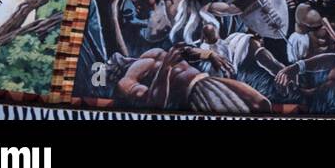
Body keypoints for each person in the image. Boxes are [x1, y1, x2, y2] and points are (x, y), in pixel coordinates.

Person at [109, 45, 271, 114]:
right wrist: (165, 69)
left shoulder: (151, 54)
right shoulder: (126, 81)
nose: (119, 58)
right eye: (113, 62)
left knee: (261, 103)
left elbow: (182, 50)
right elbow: (155, 104)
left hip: (207, 80)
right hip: (196, 92)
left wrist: (208, 54)